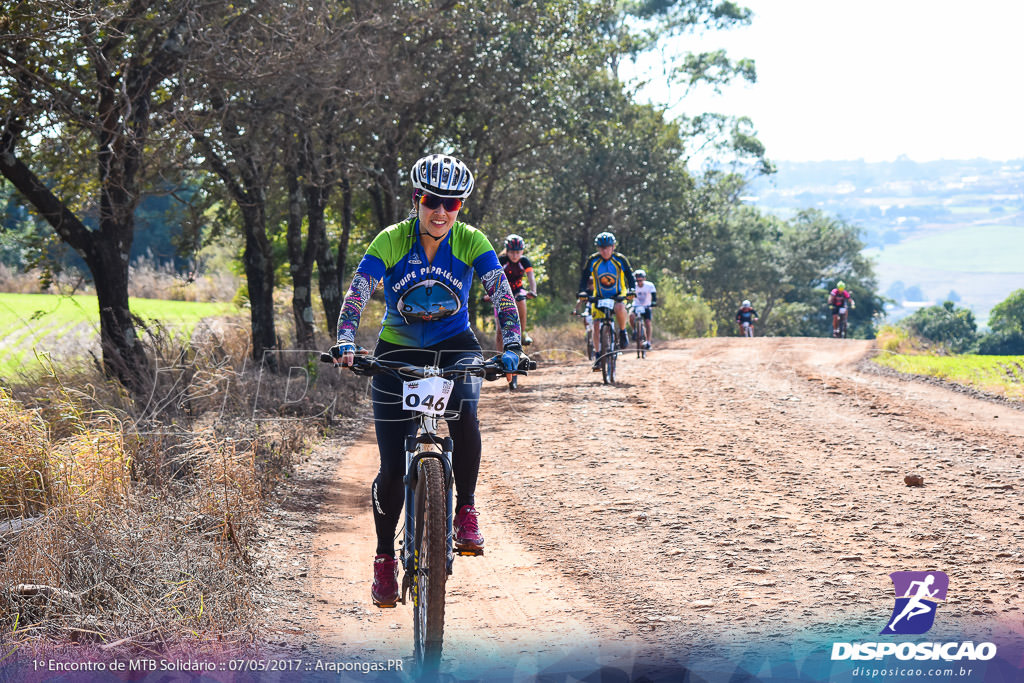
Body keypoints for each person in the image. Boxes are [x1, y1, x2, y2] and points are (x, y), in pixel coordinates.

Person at [330, 154, 529, 607]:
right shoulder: (392, 240)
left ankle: (466, 510)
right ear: (417, 199)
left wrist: (512, 345)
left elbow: (501, 294)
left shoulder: (471, 240)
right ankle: (384, 559)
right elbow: (358, 292)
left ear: (461, 207)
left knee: (467, 415)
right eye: (433, 201)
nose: (442, 212)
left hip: (454, 342)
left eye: (452, 204)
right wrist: (344, 340)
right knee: (390, 469)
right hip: (397, 349)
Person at [577, 231, 636, 370]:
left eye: (607, 247)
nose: (604, 251)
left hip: (617, 293)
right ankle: (598, 356)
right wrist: (583, 292)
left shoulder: (620, 259)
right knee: (596, 325)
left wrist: (631, 290)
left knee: (620, 307)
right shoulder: (593, 259)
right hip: (600, 295)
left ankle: (622, 332)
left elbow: (630, 276)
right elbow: (584, 277)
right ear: (598, 248)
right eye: (601, 248)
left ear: (613, 247)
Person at [485, 234, 536, 350]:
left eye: (518, 252)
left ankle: (522, 332)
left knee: (521, 299)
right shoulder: (501, 260)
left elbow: (531, 277)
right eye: (512, 252)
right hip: (501, 291)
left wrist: (533, 291)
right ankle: (499, 357)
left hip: (518, 290)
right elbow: (491, 277)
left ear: (522, 252)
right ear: (507, 251)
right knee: (499, 330)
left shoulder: (524, 262)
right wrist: (489, 294)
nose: (515, 255)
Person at [629, 269, 657, 350]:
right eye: (637, 280)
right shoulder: (633, 286)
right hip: (636, 306)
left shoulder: (650, 285)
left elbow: (654, 295)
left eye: (640, 280)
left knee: (648, 323)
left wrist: (654, 302)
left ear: (644, 279)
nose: (639, 282)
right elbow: (628, 295)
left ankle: (648, 342)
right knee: (631, 316)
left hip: (646, 306)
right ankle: (635, 330)